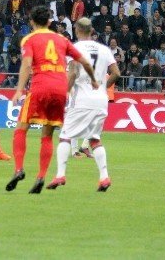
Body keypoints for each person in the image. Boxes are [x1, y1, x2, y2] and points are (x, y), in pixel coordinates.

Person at [6, 6, 98, 194]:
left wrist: (19, 90)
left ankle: (18, 169)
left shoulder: (29, 39)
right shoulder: (62, 39)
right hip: (60, 89)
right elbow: (85, 63)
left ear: (31, 21)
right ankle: (41, 176)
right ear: (49, 22)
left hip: (40, 86)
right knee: (47, 134)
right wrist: (94, 80)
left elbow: (26, 64)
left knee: (21, 128)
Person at [47, 18, 121, 192]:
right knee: (94, 139)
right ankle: (104, 177)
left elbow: (72, 73)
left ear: (76, 29)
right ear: (92, 30)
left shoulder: (74, 48)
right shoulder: (104, 49)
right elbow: (116, 73)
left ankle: (60, 174)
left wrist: (64, 93)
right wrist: (103, 87)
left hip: (81, 99)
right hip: (100, 100)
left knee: (65, 135)